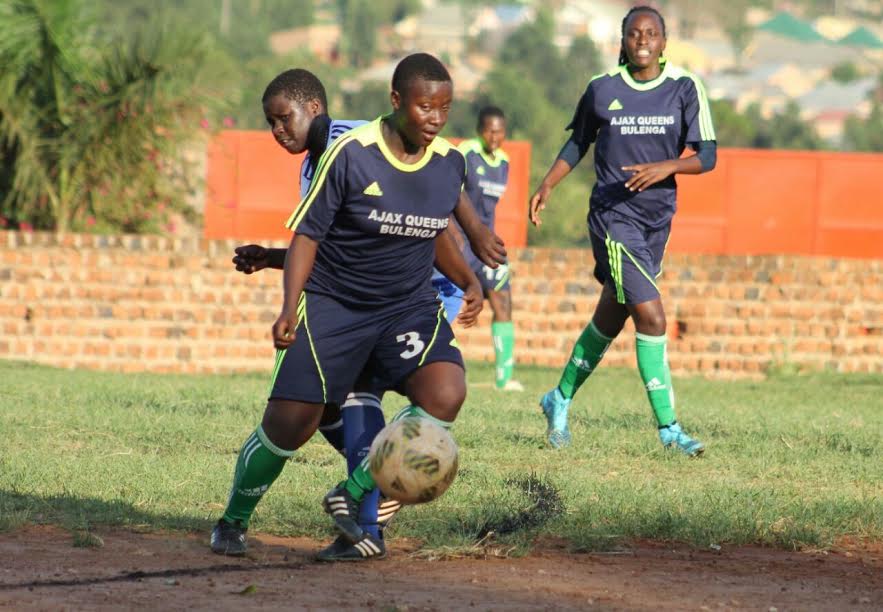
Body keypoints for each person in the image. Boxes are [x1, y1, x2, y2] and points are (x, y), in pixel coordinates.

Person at [219, 69, 505, 561]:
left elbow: (434, 205)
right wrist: (277, 274)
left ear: (313, 108)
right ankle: (233, 521)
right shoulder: (334, 159)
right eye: (270, 122)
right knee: (295, 422)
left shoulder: (353, 141)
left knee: (444, 393)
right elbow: (322, 237)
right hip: (339, 302)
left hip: (406, 304)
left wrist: (472, 250)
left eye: (283, 118)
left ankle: (359, 506)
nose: (277, 131)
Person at [528, 6, 716, 454]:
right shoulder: (603, 88)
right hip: (613, 218)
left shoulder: (685, 87)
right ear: (623, 40)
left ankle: (559, 398)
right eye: (634, 34)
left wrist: (667, 167)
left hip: (657, 220)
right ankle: (670, 431)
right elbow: (578, 142)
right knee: (651, 316)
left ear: (664, 41)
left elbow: (707, 156)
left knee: (612, 315)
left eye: (651, 33)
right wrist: (547, 184)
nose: (642, 40)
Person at [455, 106, 523, 391]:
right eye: (489, 131)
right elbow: (450, 192)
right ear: (480, 131)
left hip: (487, 244)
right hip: (460, 241)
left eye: (500, 132)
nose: (495, 137)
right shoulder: (466, 153)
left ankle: (504, 379)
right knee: (446, 305)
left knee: (503, 301)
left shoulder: (504, 162)